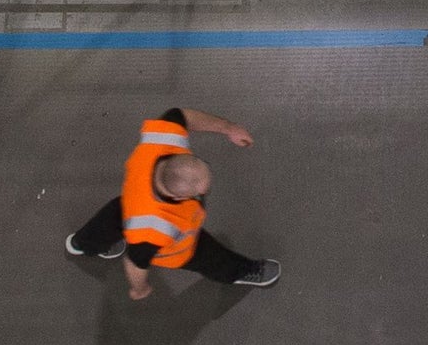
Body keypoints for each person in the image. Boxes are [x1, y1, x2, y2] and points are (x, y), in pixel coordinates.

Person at [65, 107, 282, 295]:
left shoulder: (162, 139)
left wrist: (228, 127)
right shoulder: (153, 230)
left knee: (114, 217)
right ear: (177, 197)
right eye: (198, 194)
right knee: (211, 256)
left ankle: (81, 244)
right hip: (174, 248)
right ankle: (243, 271)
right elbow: (135, 263)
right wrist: (139, 289)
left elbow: (182, 115)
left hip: (132, 202)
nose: (204, 194)